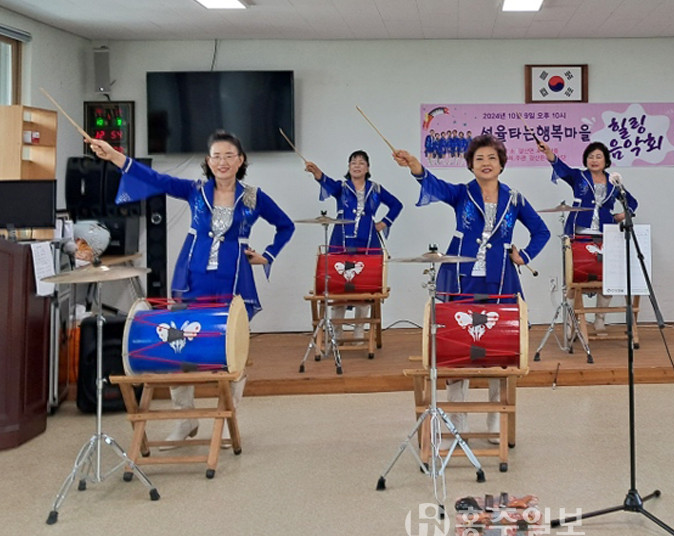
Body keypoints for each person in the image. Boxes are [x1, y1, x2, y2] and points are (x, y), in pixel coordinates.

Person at [88, 131, 295, 445]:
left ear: (240, 160)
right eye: (216, 156)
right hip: (191, 280)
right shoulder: (195, 190)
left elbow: (285, 226)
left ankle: (227, 418)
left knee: (232, 350)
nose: (222, 162)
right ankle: (185, 419)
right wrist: (115, 155)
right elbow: (155, 178)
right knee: (179, 343)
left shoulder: (253, 197)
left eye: (229, 156)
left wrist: (267, 255)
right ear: (208, 162)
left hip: (233, 281)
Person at [393, 134, 549, 443]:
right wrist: (414, 166)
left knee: (499, 350)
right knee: (458, 348)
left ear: (501, 164)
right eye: (479, 159)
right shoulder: (461, 193)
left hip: (501, 280)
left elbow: (541, 231)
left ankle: (495, 423)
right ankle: (458, 423)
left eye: (492, 158)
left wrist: (525, 255)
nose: (486, 163)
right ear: (470, 165)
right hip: (461, 279)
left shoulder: (515, 198)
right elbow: (434, 185)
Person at [534, 138, 639, 332]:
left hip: (605, 234)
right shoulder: (579, 176)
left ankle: (600, 319)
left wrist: (622, 215)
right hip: (578, 233)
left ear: (606, 161)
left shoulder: (613, 182)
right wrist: (548, 152)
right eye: (590, 156)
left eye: (598, 156)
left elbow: (632, 202)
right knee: (573, 279)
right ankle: (570, 322)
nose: (594, 160)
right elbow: (561, 168)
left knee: (606, 278)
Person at [304, 151, 403, 339]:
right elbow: (326, 182)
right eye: (353, 163)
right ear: (349, 167)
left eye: (361, 163)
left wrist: (384, 223)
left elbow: (397, 205)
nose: (357, 166)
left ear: (367, 168)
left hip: (368, 242)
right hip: (341, 242)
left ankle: (359, 330)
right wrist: (316, 172)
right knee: (338, 284)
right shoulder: (341, 187)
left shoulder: (376, 189)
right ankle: (337, 331)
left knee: (364, 286)